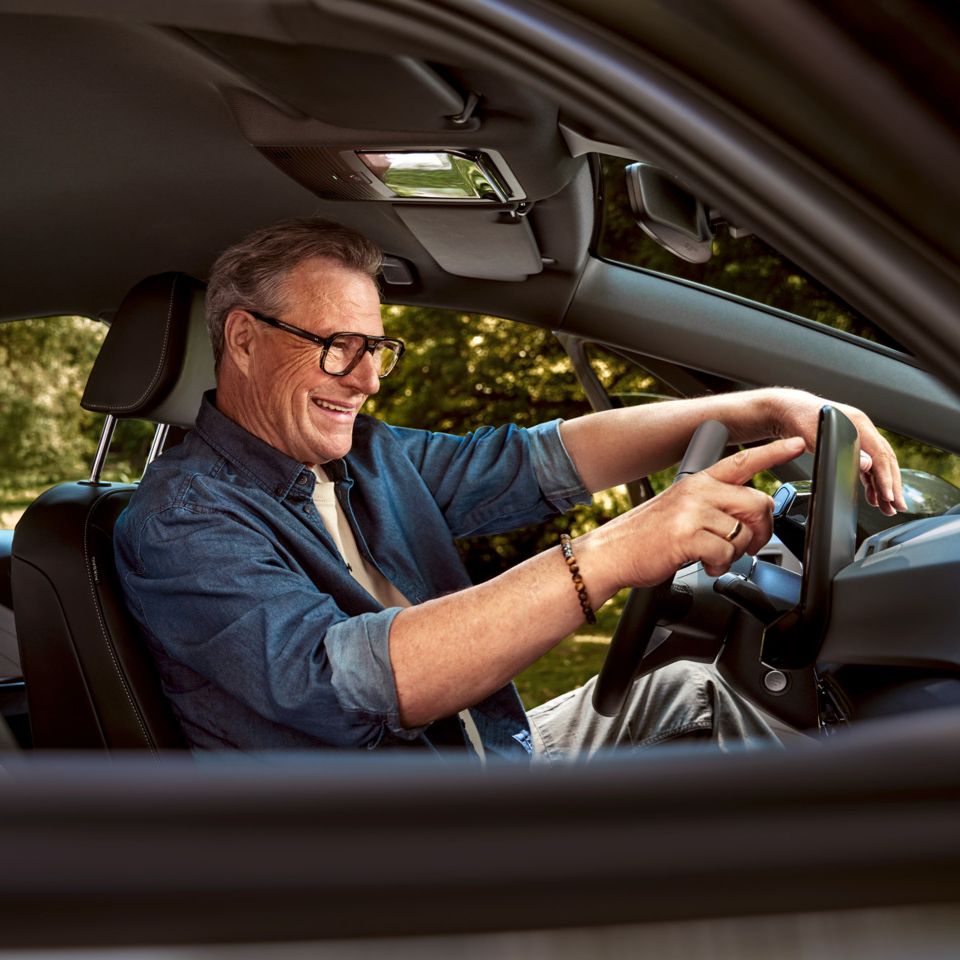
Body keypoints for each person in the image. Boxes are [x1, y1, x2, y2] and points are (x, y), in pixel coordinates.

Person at [113, 218, 905, 759]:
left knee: (693, 688)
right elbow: (356, 681)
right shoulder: (180, 521)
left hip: (484, 755)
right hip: (375, 857)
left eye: (376, 350)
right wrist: (616, 551)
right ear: (245, 340)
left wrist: (759, 407)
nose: (363, 381)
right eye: (337, 348)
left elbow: (540, 461)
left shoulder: (366, 458)